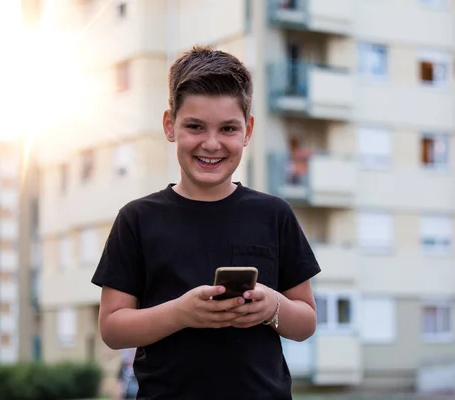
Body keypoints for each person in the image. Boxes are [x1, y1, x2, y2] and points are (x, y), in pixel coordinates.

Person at [91, 45, 321, 400]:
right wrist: (182, 313)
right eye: (195, 127)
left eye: (228, 128)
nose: (211, 144)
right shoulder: (136, 219)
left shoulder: (274, 214)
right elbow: (112, 328)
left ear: (248, 131)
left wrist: (271, 305)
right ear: (170, 125)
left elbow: (305, 321)